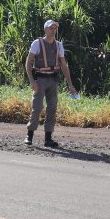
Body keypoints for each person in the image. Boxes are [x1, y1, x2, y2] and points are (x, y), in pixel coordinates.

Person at [24, 19, 76, 147]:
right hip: (40, 80)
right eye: (51, 28)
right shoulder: (37, 43)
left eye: (55, 28)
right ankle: (29, 135)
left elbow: (64, 65)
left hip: (53, 80)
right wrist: (32, 81)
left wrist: (70, 84)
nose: (53, 30)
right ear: (45, 29)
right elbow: (28, 63)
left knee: (52, 108)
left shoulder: (59, 45)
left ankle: (48, 138)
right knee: (37, 107)